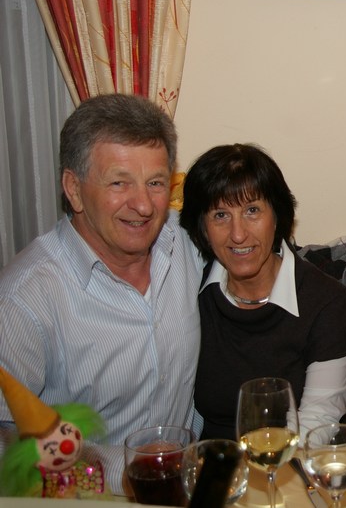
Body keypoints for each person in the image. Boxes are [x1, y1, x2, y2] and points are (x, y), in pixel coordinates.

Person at [0, 93, 204, 495]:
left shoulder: (185, 242)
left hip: (190, 485)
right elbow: (7, 440)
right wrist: (121, 470)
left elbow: (260, 251)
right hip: (86, 497)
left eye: (155, 183)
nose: (143, 205)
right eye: (119, 182)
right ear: (73, 189)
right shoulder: (23, 300)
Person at [179, 143, 346, 441]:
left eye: (252, 210)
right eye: (220, 215)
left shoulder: (326, 303)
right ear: (203, 228)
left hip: (293, 461)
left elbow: (315, 427)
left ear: (277, 216)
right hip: (211, 464)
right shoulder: (190, 291)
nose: (238, 234)